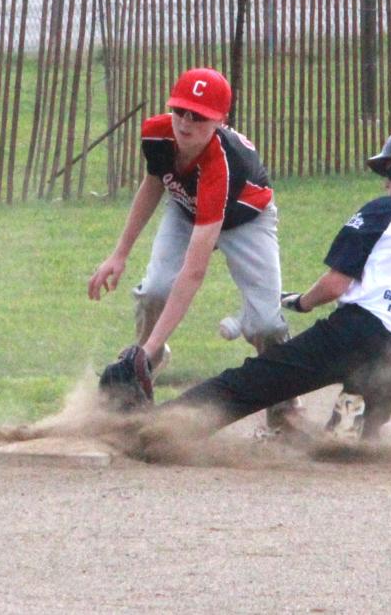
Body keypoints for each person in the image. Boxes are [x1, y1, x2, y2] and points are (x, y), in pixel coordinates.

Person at [120, 123, 391, 444]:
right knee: (345, 444)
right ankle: (347, 431)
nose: (385, 180)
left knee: (254, 383)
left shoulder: (383, 211)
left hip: (352, 337)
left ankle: (153, 430)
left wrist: (302, 303)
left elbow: (334, 285)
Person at [88, 66, 298, 430]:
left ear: (220, 120)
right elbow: (155, 184)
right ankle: (149, 358)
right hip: (186, 208)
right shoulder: (157, 132)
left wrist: (149, 346)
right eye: (180, 110)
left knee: (264, 322)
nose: (185, 122)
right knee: (154, 290)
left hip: (247, 218)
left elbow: (194, 271)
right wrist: (119, 254)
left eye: (199, 116)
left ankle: (284, 409)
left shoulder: (222, 165)